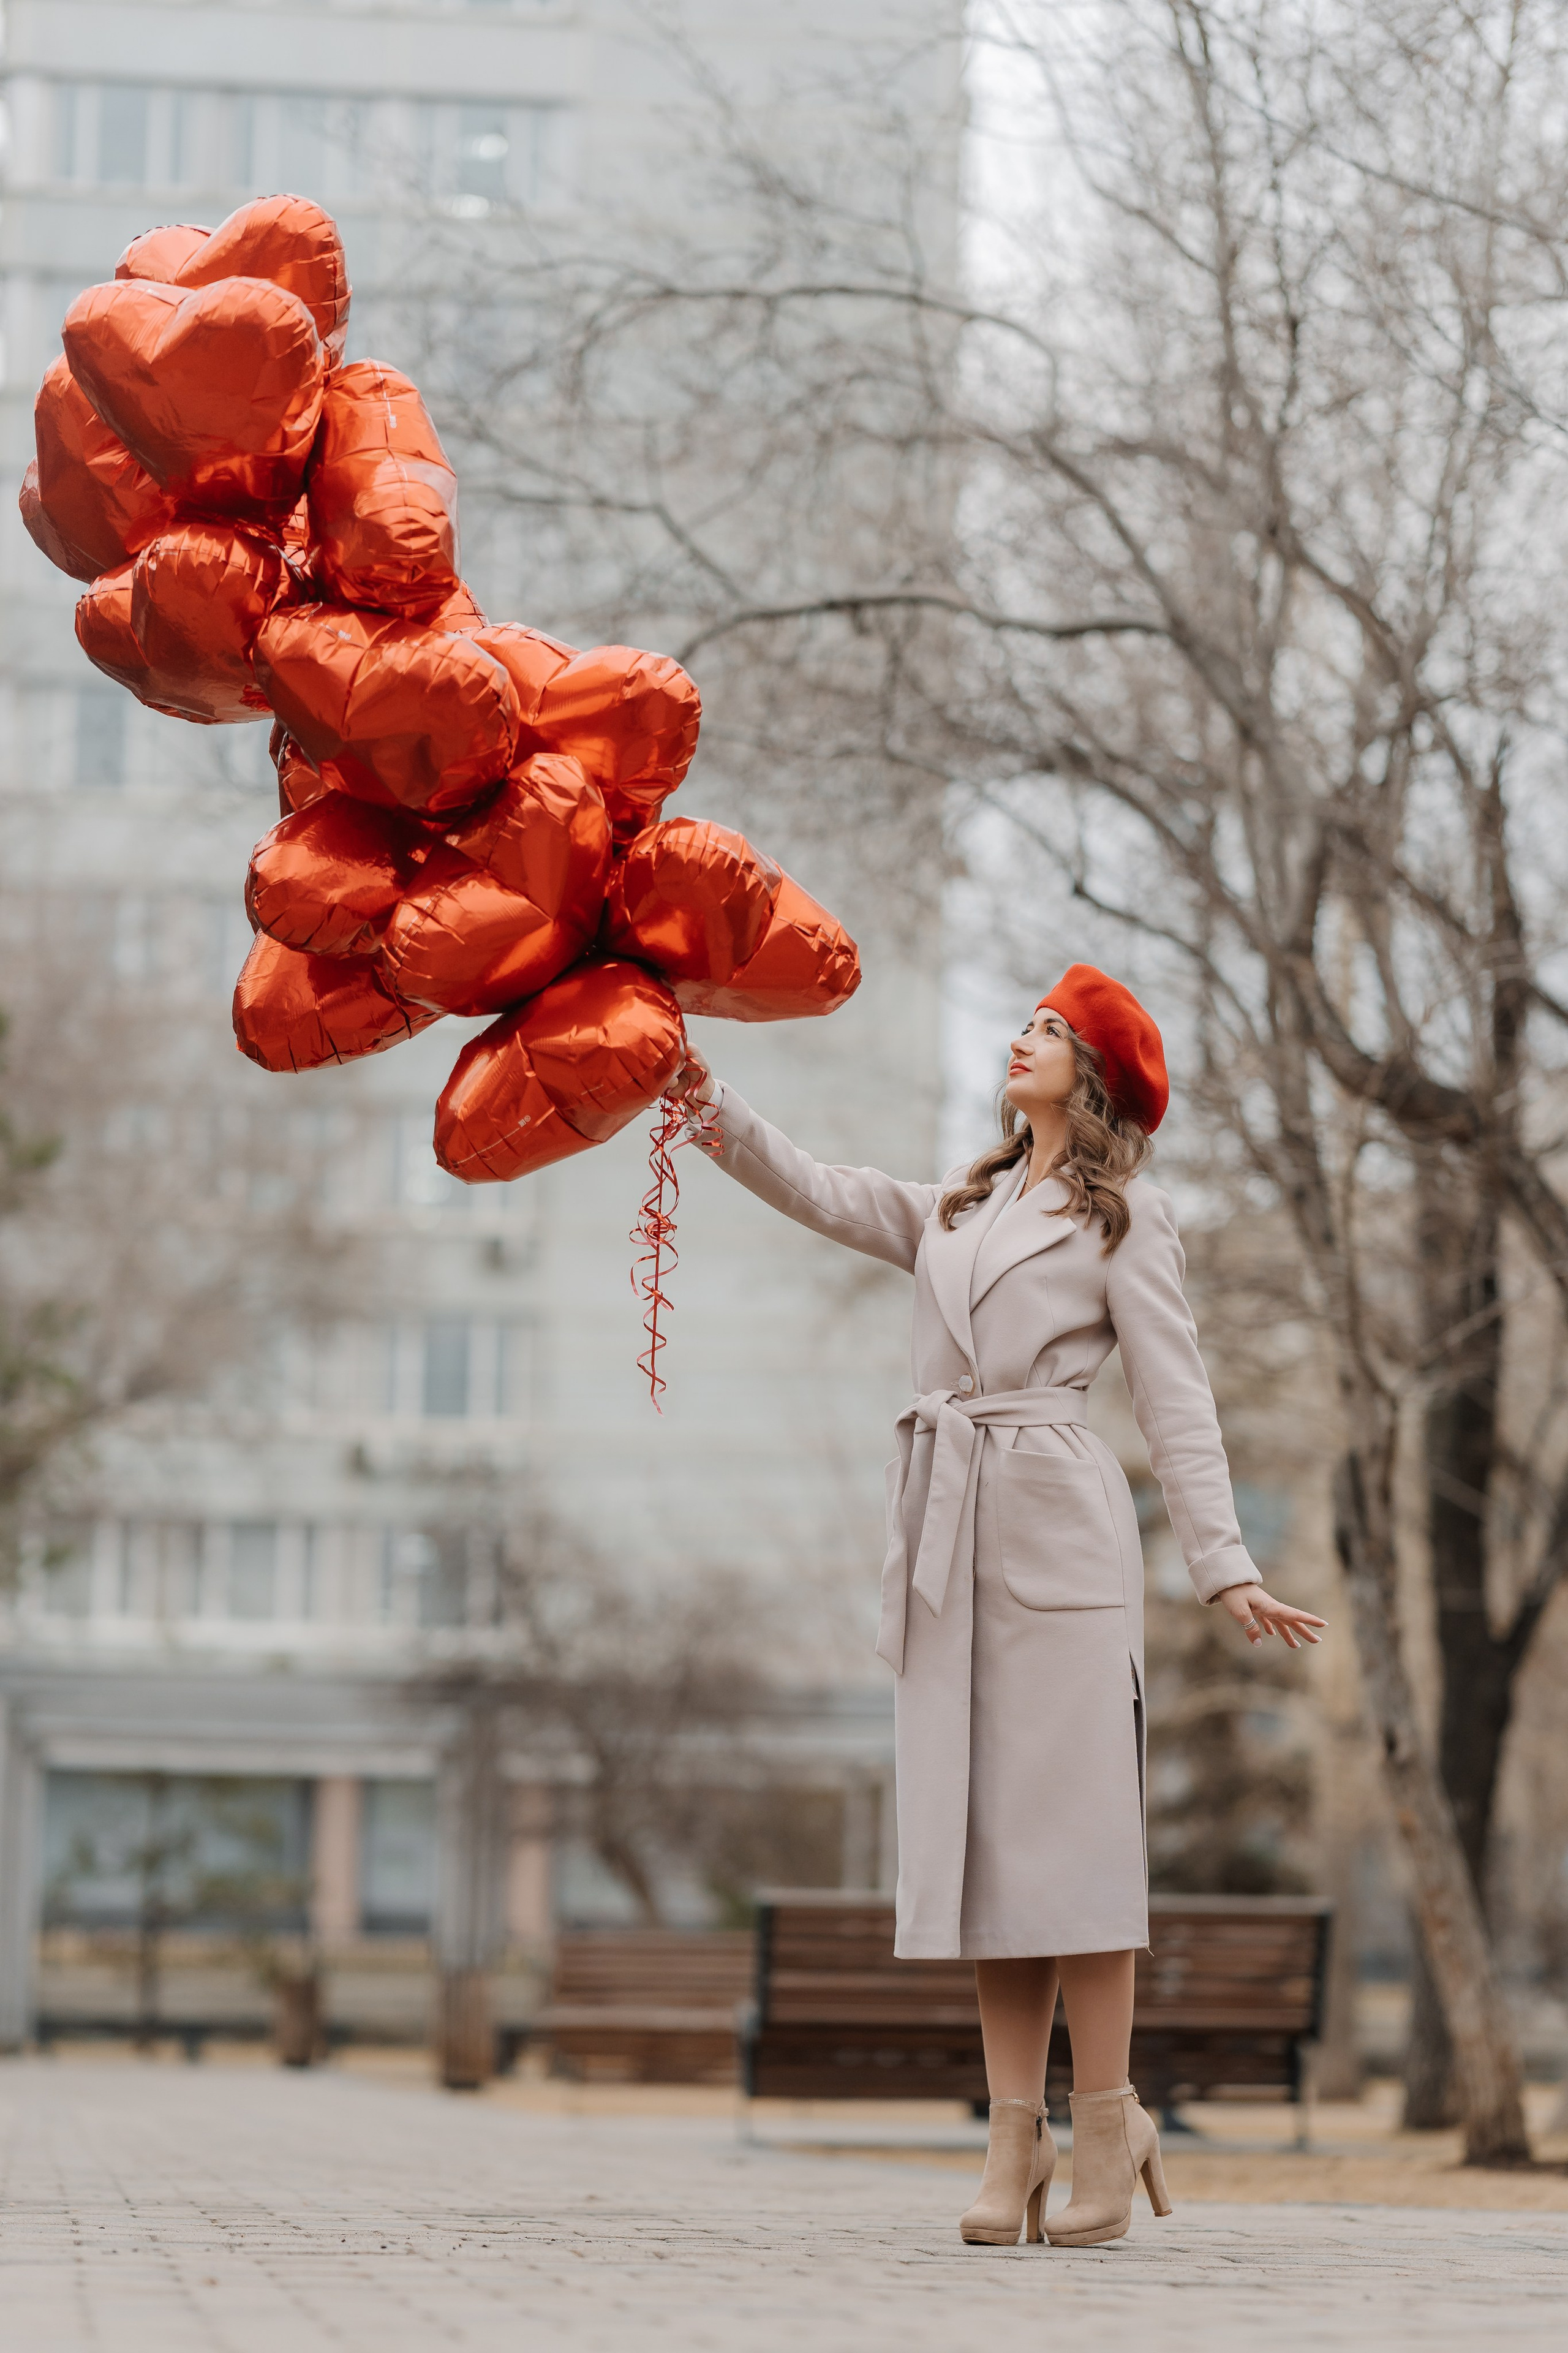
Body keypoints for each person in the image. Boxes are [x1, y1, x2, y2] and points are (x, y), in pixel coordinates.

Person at [674, 963, 1324, 2249]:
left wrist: (1224, 1562)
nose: (1017, 1041)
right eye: (1023, 1023)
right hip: (948, 1534)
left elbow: (1176, 1401)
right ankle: (1009, 2140)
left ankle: (1105, 2123)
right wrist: (707, 1101)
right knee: (986, 1858)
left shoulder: (1124, 1220)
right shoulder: (958, 1208)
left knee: (1074, 1849)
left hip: (1060, 1535)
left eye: (1045, 1030)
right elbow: (820, 1188)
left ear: (1091, 1075)